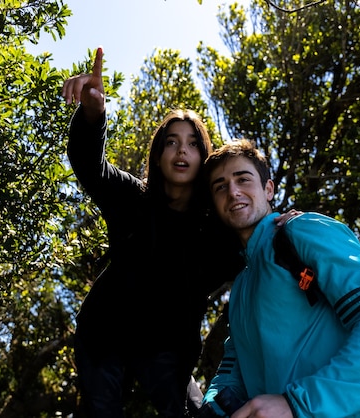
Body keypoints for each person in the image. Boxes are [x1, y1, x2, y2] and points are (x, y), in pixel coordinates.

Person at [61, 48, 297, 418]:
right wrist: (93, 113)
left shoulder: (218, 230)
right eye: (171, 141)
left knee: (193, 414)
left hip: (168, 352)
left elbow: (258, 243)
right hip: (104, 336)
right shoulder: (132, 199)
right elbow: (91, 166)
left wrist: (284, 225)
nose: (181, 151)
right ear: (157, 156)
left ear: (204, 158)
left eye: (192, 143)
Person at [198, 138, 360, 418]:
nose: (233, 192)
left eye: (243, 179)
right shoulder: (242, 287)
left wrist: (297, 404)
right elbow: (235, 368)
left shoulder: (301, 231)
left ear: (268, 189)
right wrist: (213, 404)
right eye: (220, 186)